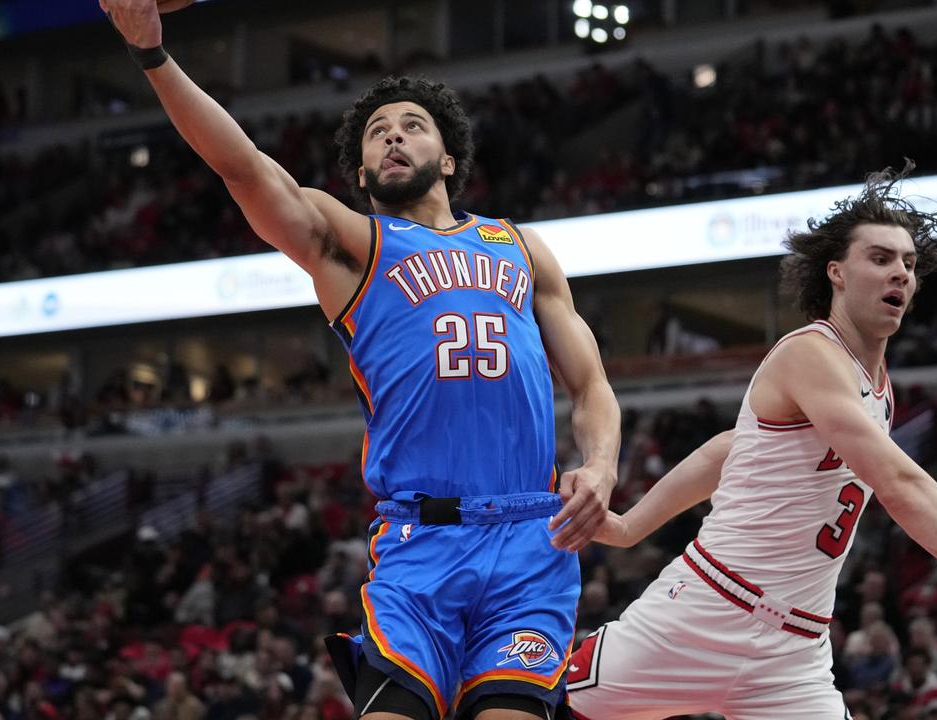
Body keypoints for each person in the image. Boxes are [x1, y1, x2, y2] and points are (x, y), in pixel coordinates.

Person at [102, 3, 621, 719]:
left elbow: (591, 384)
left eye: (411, 126)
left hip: (532, 543)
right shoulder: (353, 249)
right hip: (421, 546)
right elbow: (243, 168)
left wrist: (600, 465)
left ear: (447, 158)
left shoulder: (521, 248)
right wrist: (153, 55)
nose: (393, 137)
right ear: (363, 173)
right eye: (378, 133)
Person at [566, 166, 937, 719]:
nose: (900, 273)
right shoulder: (811, 353)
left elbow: (731, 447)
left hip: (793, 654)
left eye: (910, 264)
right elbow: (898, 484)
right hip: (704, 611)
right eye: (881, 258)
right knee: (538, 708)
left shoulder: (879, 388)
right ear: (836, 273)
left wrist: (633, 527)